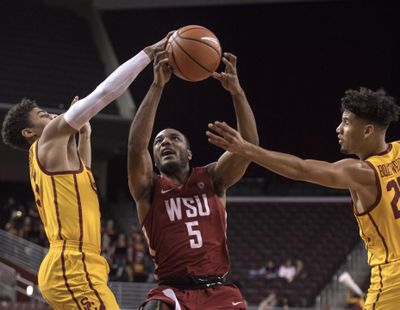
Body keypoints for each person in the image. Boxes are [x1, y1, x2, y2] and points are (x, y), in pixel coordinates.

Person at [1, 34, 169, 310]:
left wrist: (85, 134)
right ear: (29, 132)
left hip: (84, 264)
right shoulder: (46, 140)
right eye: (42, 114)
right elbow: (104, 94)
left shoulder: (57, 162)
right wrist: (148, 54)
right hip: (72, 264)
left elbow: (84, 178)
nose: (52, 116)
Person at [206, 87, 400, 309]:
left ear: (367, 131)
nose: (338, 128)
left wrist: (246, 149)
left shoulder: (363, 172)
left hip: (392, 279)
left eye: (346, 122)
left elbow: (302, 169)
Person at [127, 50, 259, 309]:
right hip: (172, 291)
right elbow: (135, 146)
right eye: (159, 142)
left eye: (174, 138)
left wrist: (237, 92)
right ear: (154, 158)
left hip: (218, 291)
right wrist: (156, 86)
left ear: (188, 152)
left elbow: (250, 146)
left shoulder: (212, 177)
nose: (165, 142)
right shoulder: (148, 189)